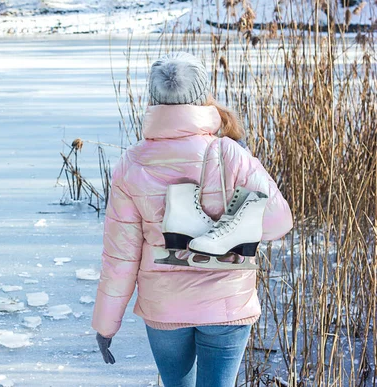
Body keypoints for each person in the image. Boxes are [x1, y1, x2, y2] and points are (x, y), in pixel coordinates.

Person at [91, 52, 293, 387]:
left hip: (165, 305)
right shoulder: (231, 154)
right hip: (226, 302)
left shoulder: (132, 164)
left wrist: (105, 325)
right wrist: (241, 191)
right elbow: (277, 222)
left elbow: (120, 258)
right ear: (203, 97)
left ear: (154, 101)